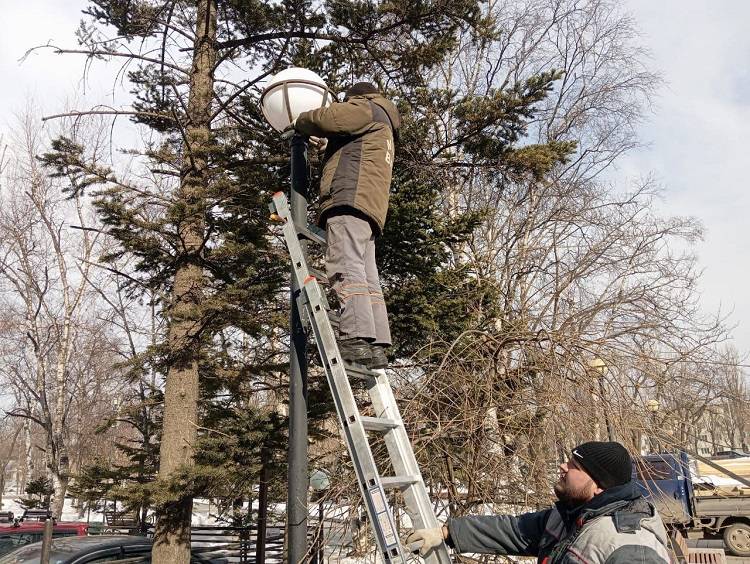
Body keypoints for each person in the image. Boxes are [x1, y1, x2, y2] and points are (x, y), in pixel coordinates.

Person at [407, 441, 673, 563]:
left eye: (574, 465)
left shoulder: (629, 544)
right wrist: (445, 532)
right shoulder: (572, 517)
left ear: (598, 485)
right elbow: (514, 530)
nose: (563, 466)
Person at [292, 82, 400, 369]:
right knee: (366, 276)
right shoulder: (383, 124)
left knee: (345, 265)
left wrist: (301, 122)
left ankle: (354, 336)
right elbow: (352, 145)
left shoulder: (365, 108)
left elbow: (332, 118)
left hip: (349, 198)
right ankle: (375, 344)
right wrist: (327, 143)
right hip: (369, 208)